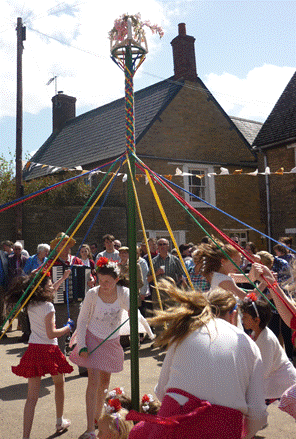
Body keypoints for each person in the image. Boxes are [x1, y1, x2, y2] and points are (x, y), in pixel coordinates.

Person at [127, 280, 267, 439]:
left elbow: (161, 391)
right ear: (233, 314)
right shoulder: (250, 345)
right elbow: (257, 414)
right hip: (224, 430)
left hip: (174, 424)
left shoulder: (184, 333)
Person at [69, 257, 130, 439]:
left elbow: (133, 311)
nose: (104, 285)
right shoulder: (93, 294)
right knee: (93, 382)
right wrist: (82, 344)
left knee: (104, 383)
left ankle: (98, 417)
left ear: (116, 280)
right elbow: (81, 320)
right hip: (92, 338)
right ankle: (89, 428)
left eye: (108, 281)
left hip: (111, 341)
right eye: (100, 280)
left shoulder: (123, 292)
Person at [11, 270, 74, 439]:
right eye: (49, 284)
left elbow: (51, 291)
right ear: (42, 289)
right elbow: (52, 333)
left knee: (31, 398)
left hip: (34, 349)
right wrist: (67, 328)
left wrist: (63, 278)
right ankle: (59, 421)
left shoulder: (31, 303)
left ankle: (25, 436)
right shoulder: (48, 306)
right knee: (60, 384)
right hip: (49, 350)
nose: (52, 286)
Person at [240, 293, 296, 401]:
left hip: (286, 382)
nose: (242, 320)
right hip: (276, 381)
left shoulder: (266, 339)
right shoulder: (255, 334)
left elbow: (264, 372)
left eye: (245, 317)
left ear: (257, 320)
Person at [147, 238, 185, 310]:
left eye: (164, 244)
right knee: (158, 314)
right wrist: (157, 273)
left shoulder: (175, 260)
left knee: (171, 313)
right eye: (160, 244)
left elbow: (181, 275)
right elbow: (148, 279)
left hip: (171, 291)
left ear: (168, 246)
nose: (162, 246)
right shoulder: (153, 261)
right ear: (158, 247)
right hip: (158, 292)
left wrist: (177, 286)